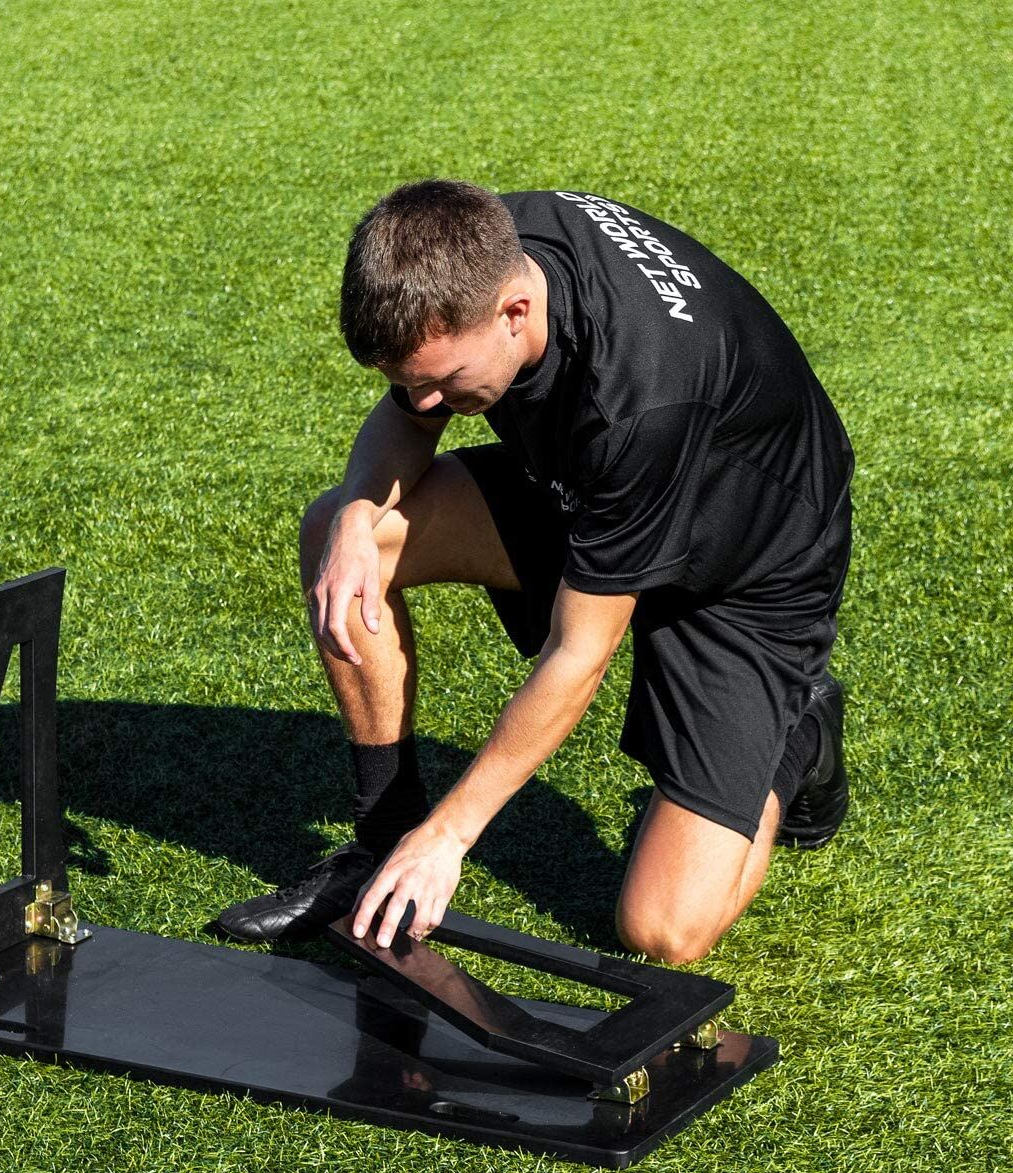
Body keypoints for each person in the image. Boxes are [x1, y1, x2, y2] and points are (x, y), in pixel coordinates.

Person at [217, 179, 853, 963]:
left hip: (745, 566)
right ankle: (379, 843)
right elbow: (408, 419)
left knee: (664, 930)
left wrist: (449, 836)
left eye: (442, 383)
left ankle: (802, 729)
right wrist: (356, 513)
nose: (423, 403)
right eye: (405, 382)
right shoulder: (479, 245)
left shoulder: (642, 398)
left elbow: (578, 654)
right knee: (342, 534)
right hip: (592, 490)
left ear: (514, 312)